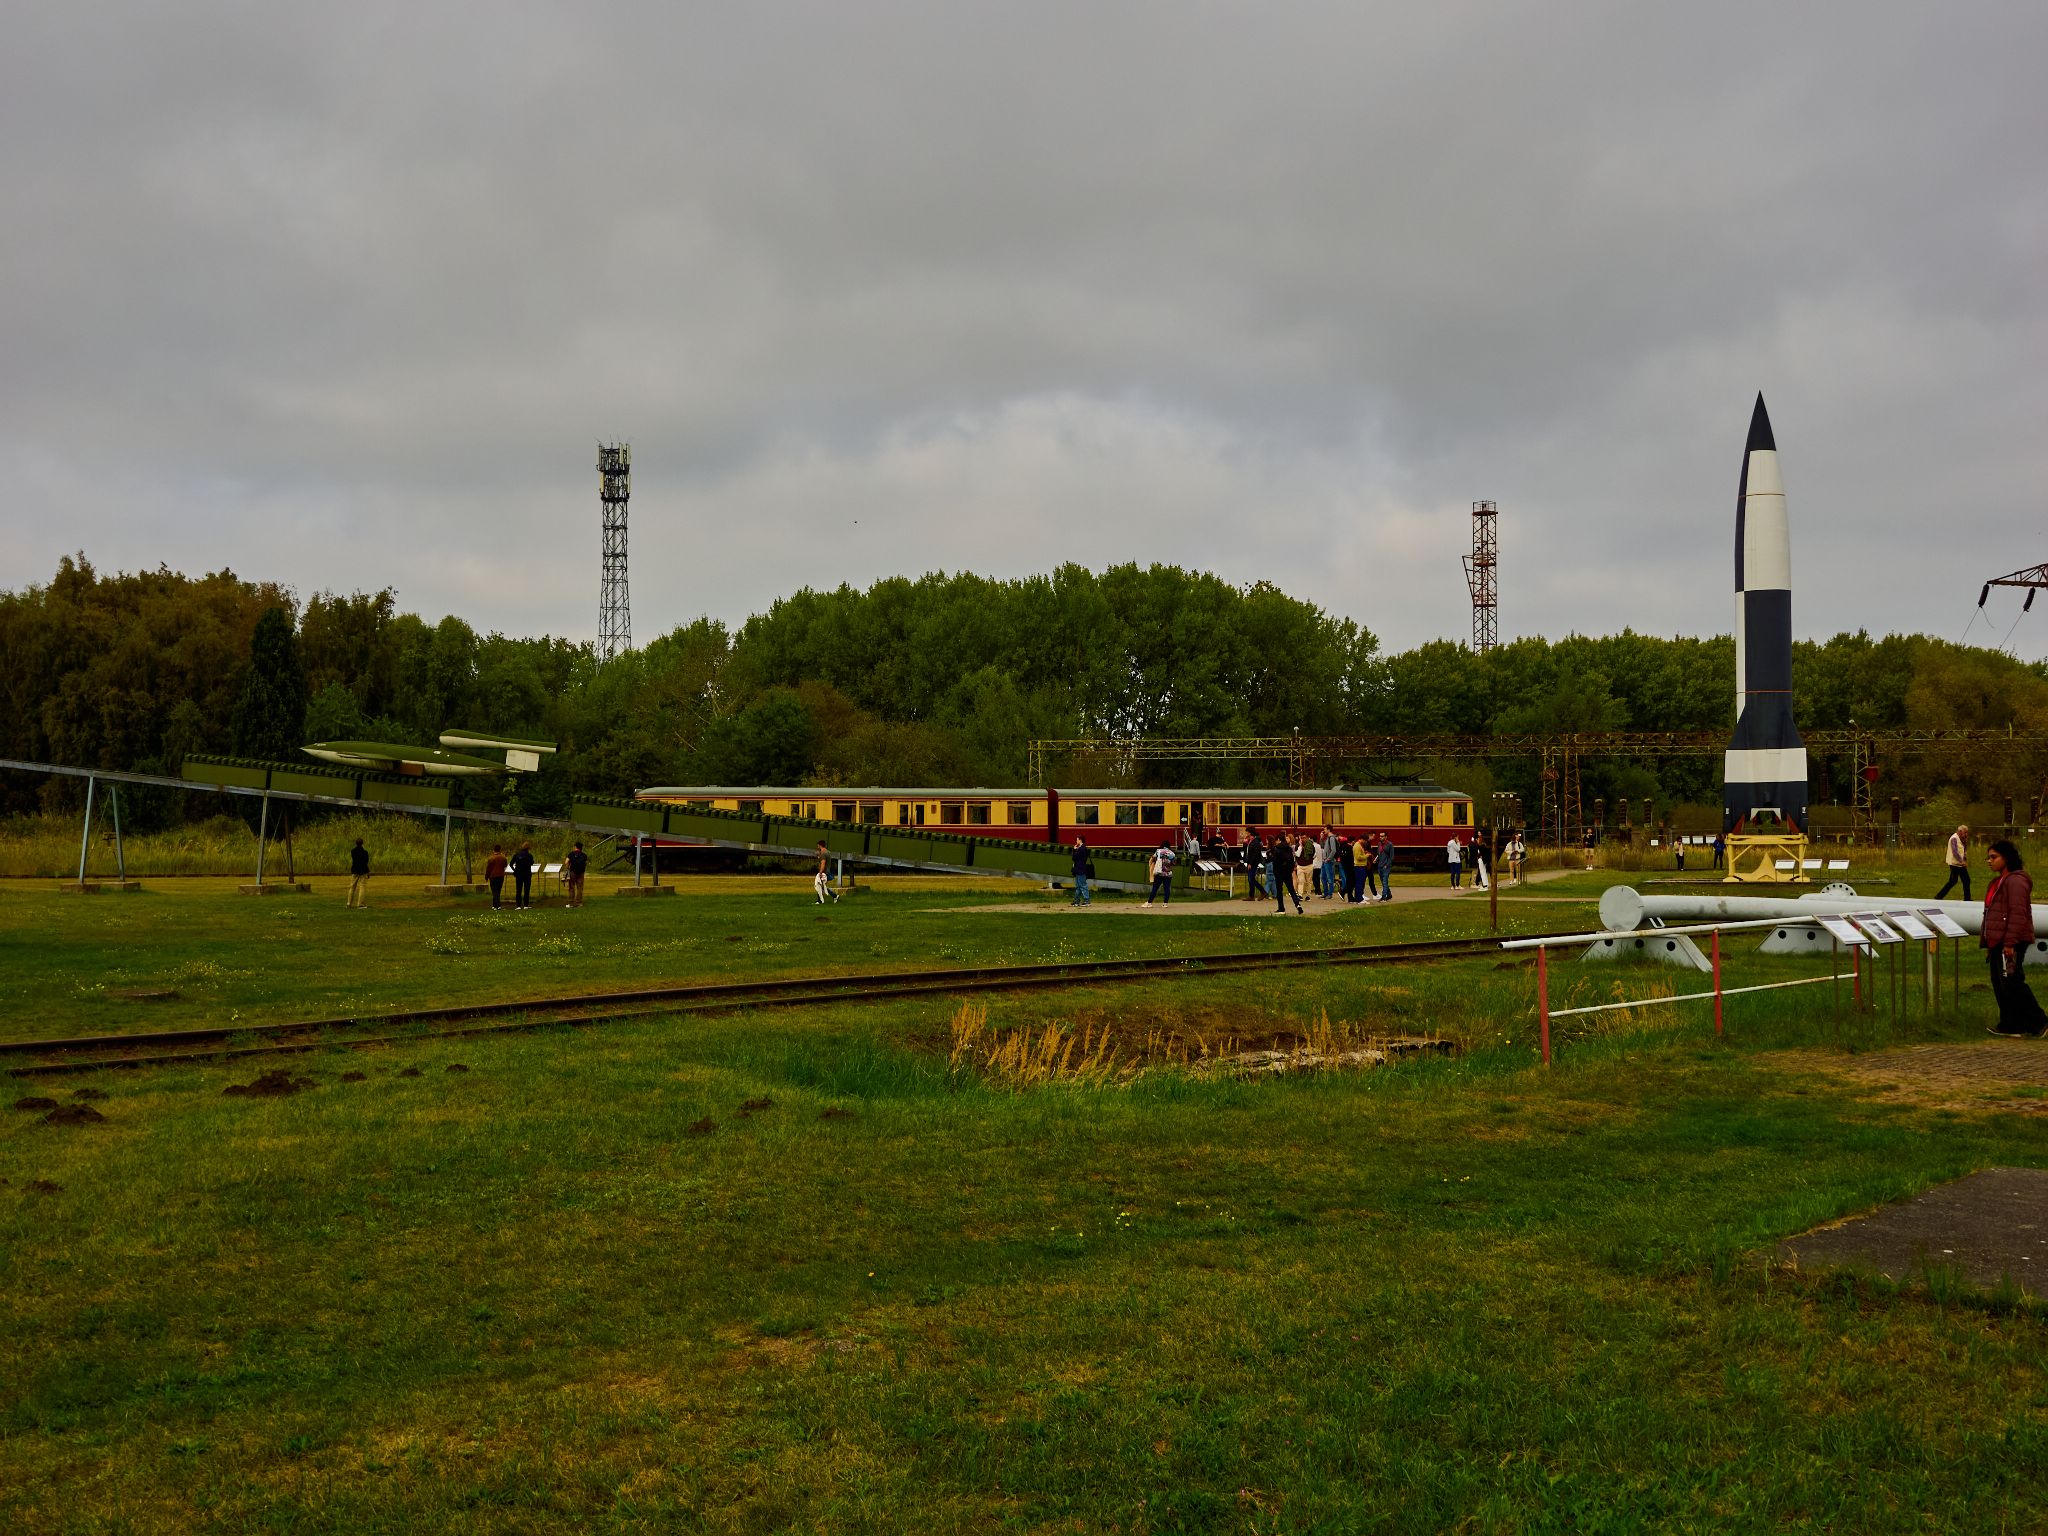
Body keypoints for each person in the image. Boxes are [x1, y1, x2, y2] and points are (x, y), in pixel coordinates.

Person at [1981, 840, 2044, 1037]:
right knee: (2002, 982)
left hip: (2010, 941)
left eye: (1994, 857)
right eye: (1988, 857)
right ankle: (2012, 1024)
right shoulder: (2001, 880)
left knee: (2012, 981)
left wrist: (2010, 944)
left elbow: (2018, 914)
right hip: (1999, 939)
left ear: (2006, 858)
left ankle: (2039, 1022)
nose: (1989, 861)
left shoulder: (2016, 881)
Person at [1936, 824, 1972, 902]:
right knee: (1964, 880)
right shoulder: (1954, 838)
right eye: (1965, 832)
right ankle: (1967, 899)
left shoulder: (1961, 839)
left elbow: (1963, 850)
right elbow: (1955, 852)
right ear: (1960, 831)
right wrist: (1962, 862)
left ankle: (1939, 896)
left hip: (1958, 864)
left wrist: (1964, 859)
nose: (1966, 834)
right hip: (1955, 864)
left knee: (1955, 881)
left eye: (1967, 833)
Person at [1270, 832, 1303, 914]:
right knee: (1291, 890)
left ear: (1278, 840)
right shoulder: (1289, 848)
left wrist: (1275, 871)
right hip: (1287, 872)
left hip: (1279, 872)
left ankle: (1281, 908)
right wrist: (1290, 869)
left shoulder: (1276, 848)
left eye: (1276, 840)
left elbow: (1275, 861)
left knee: (1279, 890)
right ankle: (1297, 904)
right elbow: (1292, 860)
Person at [1144, 840, 1174, 906]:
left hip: (1159, 872)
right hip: (1168, 873)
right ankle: (1165, 903)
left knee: (1155, 888)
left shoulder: (1158, 851)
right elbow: (1173, 863)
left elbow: (1154, 858)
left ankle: (1149, 903)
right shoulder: (1172, 853)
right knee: (1167, 889)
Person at [1243, 831, 1268, 901]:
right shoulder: (1250, 841)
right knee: (1250, 879)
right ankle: (1251, 896)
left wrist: (1251, 863)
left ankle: (1263, 891)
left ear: (1250, 833)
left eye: (1247, 832)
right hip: (1249, 862)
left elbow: (1255, 854)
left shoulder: (1256, 842)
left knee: (1251, 879)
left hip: (1253, 863)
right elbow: (1247, 852)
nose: (1246, 834)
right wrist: (1244, 844)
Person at [510, 841, 535, 909]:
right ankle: (526, 905)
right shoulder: (530, 855)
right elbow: (532, 863)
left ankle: (518, 905)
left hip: (519, 874)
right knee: (526, 890)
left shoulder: (517, 854)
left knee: (518, 890)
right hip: (527, 874)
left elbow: (511, 864)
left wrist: (514, 870)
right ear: (528, 848)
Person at [346, 837, 370, 908]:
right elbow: (366, 862)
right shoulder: (365, 852)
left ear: (356, 843)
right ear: (362, 843)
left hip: (355, 870)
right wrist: (368, 871)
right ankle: (360, 904)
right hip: (363, 870)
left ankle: (349, 903)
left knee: (352, 887)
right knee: (362, 887)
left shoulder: (353, 851)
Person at [814, 840, 840, 905]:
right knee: (822, 885)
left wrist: (820, 873)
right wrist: (818, 856)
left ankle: (821, 900)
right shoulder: (828, 852)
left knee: (819, 884)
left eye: (818, 845)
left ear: (820, 845)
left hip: (824, 872)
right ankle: (833, 896)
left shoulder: (823, 853)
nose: (817, 846)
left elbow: (823, 863)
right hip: (828, 871)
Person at [1070, 836, 1093, 907]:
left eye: (1077, 839)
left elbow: (1074, 858)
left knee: (1082, 885)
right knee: (1079, 886)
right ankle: (1077, 900)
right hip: (1080, 869)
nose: (1076, 841)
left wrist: (1074, 850)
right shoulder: (1083, 848)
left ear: (1080, 840)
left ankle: (1087, 900)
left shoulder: (1081, 849)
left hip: (1080, 869)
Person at [484, 843, 508, 909]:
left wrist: (486, 876)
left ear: (493, 850)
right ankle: (494, 905)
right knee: (498, 891)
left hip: (493, 876)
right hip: (501, 875)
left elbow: (488, 869)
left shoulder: (491, 858)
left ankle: (498, 905)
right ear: (500, 850)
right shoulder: (503, 857)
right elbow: (505, 865)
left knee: (494, 891)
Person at [565, 841, 588, 907]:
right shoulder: (584, 855)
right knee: (580, 888)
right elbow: (585, 863)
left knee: (571, 887)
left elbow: (566, 862)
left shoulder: (571, 854)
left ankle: (571, 903)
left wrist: (568, 869)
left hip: (573, 872)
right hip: (581, 873)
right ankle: (579, 903)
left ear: (575, 847)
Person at [1376, 833, 1395, 902]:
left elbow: (1391, 857)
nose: (1380, 837)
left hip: (1386, 866)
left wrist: (1387, 865)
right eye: (1380, 836)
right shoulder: (1379, 844)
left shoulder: (1390, 844)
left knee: (1384, 881)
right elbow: (1378, 854)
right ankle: (1389, 895)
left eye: (1382, 836)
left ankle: (1383, 897)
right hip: (1379, 866)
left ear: (1386, 837)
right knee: (1383, 882)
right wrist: (1376, 860)